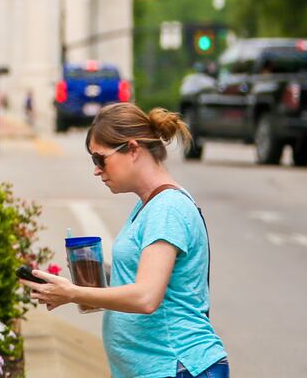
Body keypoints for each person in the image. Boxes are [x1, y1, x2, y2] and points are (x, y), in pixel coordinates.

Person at [20, 104, 227, 378]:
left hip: (177, 366)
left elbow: (146, 297)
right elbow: (145, 280)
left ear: (132, 149)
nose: (96, 170)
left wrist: (73, 293)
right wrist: (95, 273)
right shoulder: (148, 205)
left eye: (99, 159)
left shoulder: (167, 209)